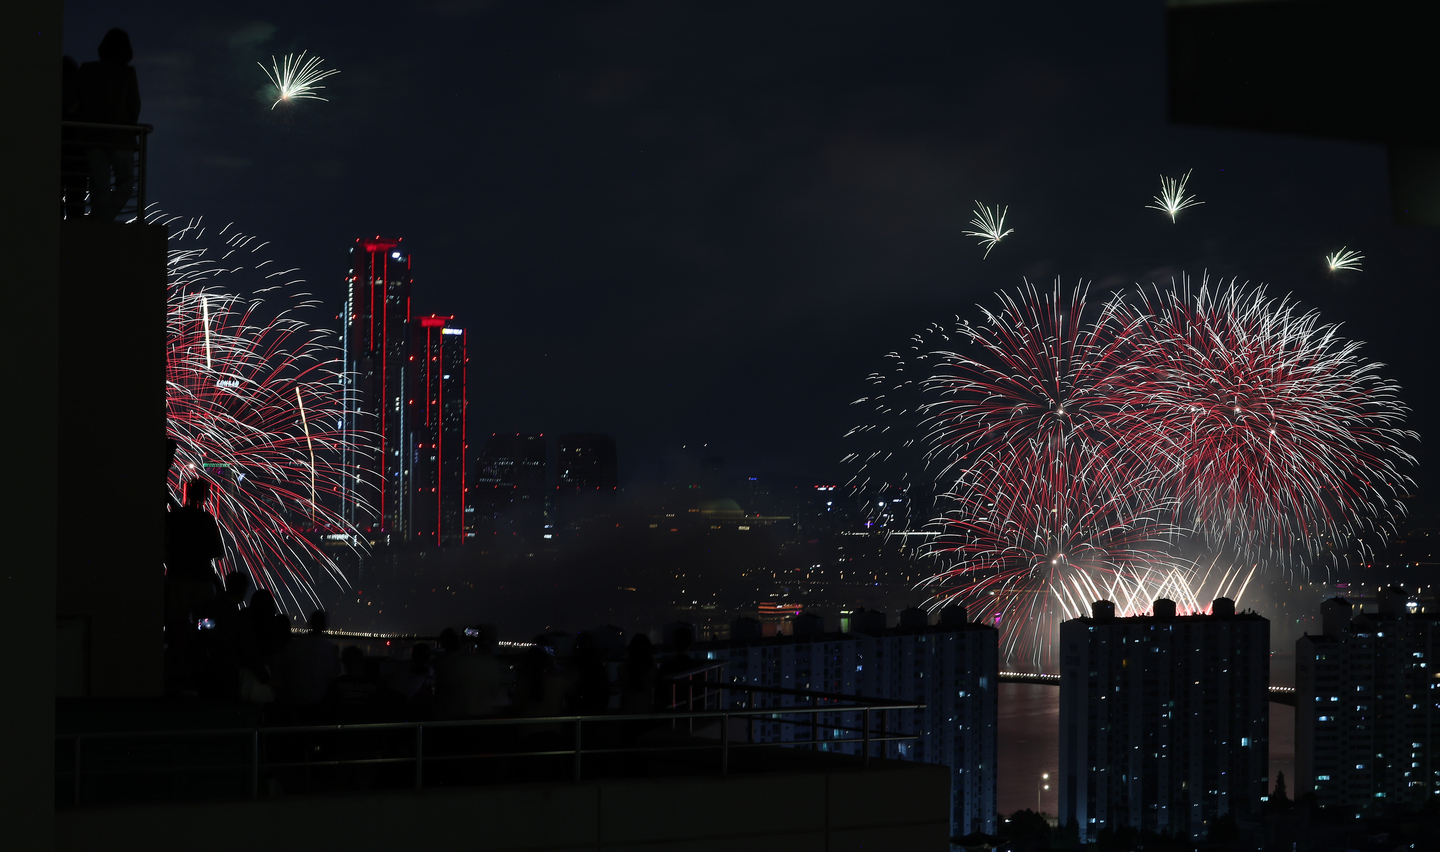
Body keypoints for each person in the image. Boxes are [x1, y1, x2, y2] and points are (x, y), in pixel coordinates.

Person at [77, 28, 141, 221]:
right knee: (126, 183)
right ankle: (102, 219)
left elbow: (79, 100)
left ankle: (99, 218)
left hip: (92, 136)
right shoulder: (127, 73)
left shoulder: (87, 70)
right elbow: (134, 105)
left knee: (99, 185)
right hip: (120, 137)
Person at [164, 478, 225, 632]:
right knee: (205, 624)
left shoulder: (173, 517)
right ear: (204, 496)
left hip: (178, 577)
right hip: (201, 578)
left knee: (178, 624)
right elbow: (216, 551)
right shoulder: (206, 519)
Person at [276, 610, 340, 718]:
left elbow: (286, 669)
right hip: (318, 700)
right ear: (325, 625)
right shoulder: (329, 647)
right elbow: (333, 673)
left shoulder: (296, 644)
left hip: (296, 699)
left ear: (310, 623)